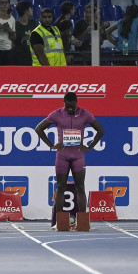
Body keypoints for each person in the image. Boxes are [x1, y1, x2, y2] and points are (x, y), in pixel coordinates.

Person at [34, 92, 104, 229]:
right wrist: (51, 145)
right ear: (64, 102)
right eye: (68, 106)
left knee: (80, 187)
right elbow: (39, 128)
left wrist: (90, 146)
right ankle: (60, 222)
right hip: (62, 156)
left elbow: (100, 130)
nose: (70, 109)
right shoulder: (57, 114)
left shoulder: (85, 114)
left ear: (76, 102)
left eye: (73, 106)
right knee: (60, 187)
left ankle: (82, 222)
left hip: (78, 155)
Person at [12, 0, 36, 65]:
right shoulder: (15, 25)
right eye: (31, 8)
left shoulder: (33, 23)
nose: (32, 10)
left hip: (32, 56)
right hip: (20, 58)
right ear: (26, 11)